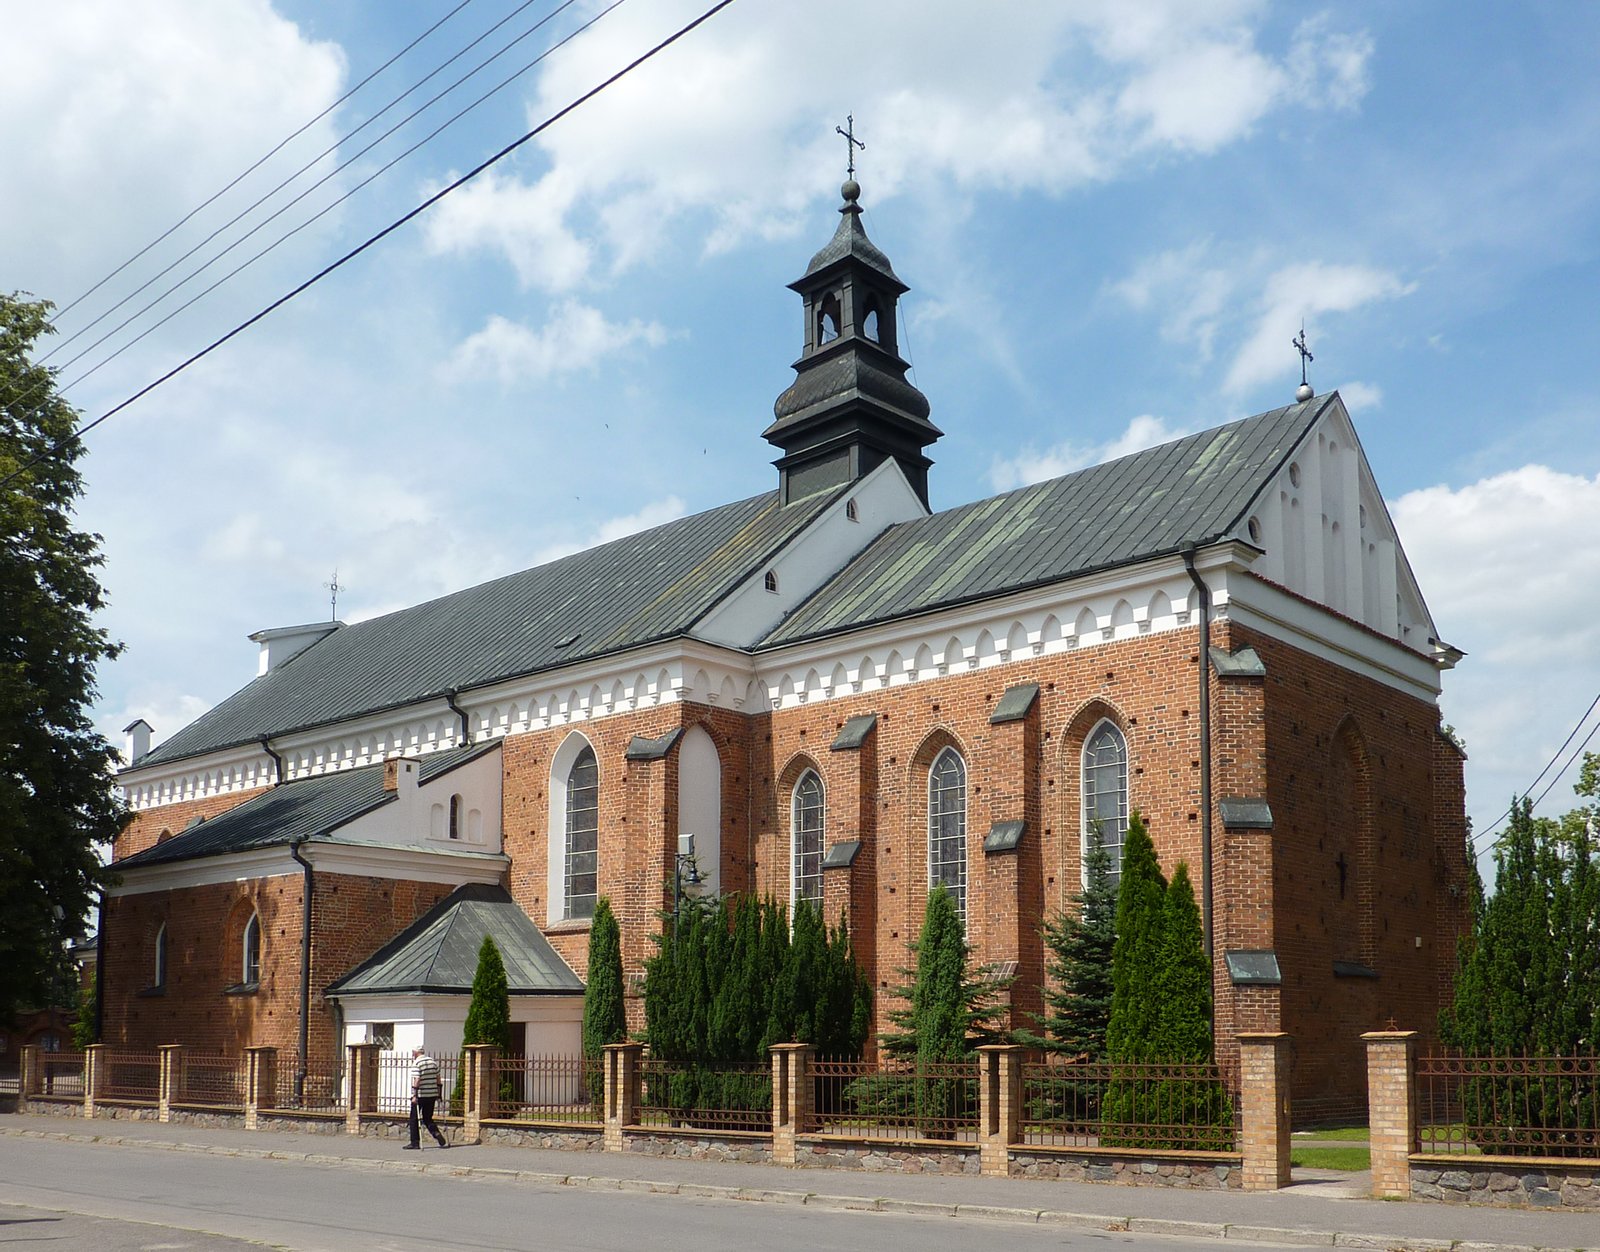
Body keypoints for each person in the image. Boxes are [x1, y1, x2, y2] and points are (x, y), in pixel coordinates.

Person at [405, 1045, 448, 1150]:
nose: (412, 1055)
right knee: (427, 1117)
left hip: (421, 1095)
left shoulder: (417, 1063)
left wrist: (414, 1095)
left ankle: (415, 1142)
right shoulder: (433, 1062)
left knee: (414, 1119)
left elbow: (417, 1080)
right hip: (432, 1095)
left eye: (413, 1052)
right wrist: (439, 1094)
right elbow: (438, 1079)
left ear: (415, 1053)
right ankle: (436, 1133)